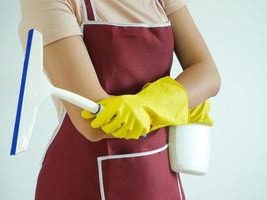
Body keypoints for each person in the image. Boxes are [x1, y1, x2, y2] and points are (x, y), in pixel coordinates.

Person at [18, 0, 221, 199]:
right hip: (82, 181)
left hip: (159, 179)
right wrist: (178, 101)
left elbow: (208, 73)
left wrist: (153, 106)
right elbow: (94, 119)